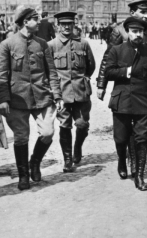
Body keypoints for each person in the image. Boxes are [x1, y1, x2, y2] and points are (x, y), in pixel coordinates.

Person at [0, 8, 63, 190]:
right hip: (18, 99)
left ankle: (35, 162)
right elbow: (1, 75)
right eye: (35, 19)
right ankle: (23, 175)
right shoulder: (7, 45)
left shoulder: (42, 44)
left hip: (41, 96)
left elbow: (52, 73)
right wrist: (3, 99)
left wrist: (57, 95)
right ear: (25, 21)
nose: (39, 21)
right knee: (21, 137)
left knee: (48, 132)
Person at [104, 17, 147, 190]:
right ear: (128, 32)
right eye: (134, 31)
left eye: (140, 32)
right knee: (121, 138)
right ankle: (122, 161)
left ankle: (139, 175)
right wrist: (126, 71)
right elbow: (108, 72)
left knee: (143, 138)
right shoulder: (116, 50)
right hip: (122, 100)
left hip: (143, 101)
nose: (138, 35)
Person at [47, 11, 96, 172]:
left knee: (82, 124)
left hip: (81, 92)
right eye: (63, 24)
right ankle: (68, 159)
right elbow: (50, 71)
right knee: (65, 126)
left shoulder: (83, 43)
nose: (67, 27)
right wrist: (55, 94)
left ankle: (78, 147)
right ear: (58, 26)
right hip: (62, 94)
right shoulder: (51, 45)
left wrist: (85, 79)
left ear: (74, 24)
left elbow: (91, 66)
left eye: (70, 24)